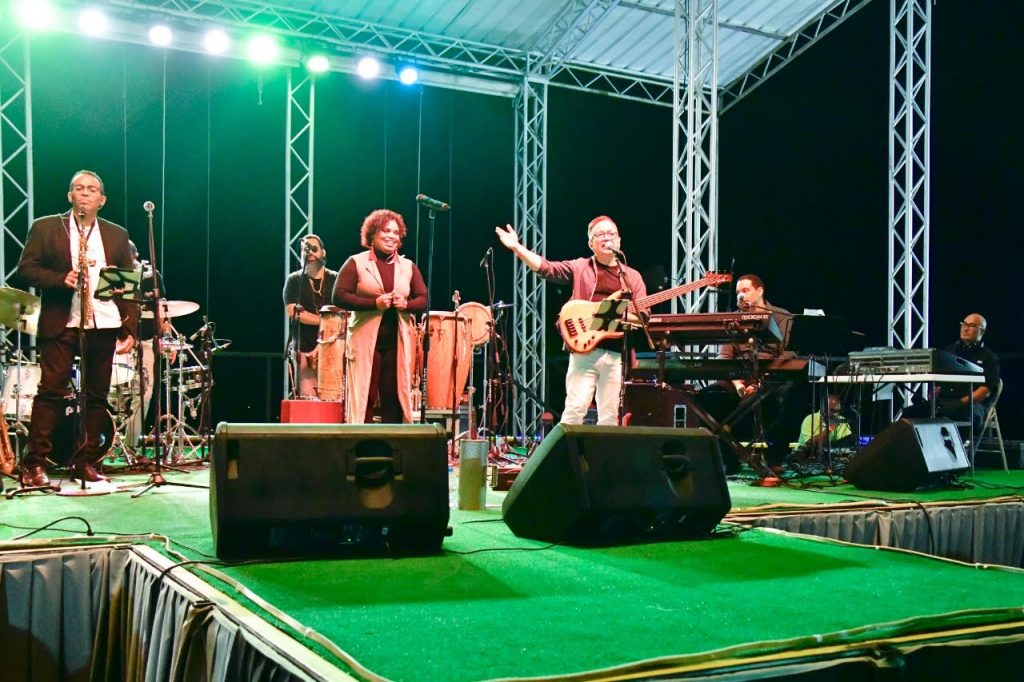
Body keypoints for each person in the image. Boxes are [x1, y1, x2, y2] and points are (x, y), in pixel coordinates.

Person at [15, 170, 137, 486]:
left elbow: (129, 285)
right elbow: (25, 269)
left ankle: (86, 462)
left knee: (97, 396)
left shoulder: (117, 234)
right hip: (63, 321)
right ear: (70, 195)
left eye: (92, 189)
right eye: (78, 188)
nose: (85, 192)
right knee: (51, 391)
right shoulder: (46, 226)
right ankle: (34, 464)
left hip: (104, 320)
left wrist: (130, 329)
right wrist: (60, 279)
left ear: (102, 200)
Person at [495, 215, 647, 426]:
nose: (607, 238)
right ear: (591, 243)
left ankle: (602, 450)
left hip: (615, 354)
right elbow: (547, 268)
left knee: (610, 417)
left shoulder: (632, 277)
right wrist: (517, 248)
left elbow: (643, 316)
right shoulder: (580, 267)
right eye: (600, 234)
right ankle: (566, 449)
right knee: (575, 410)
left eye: (611, 233)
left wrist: (612, 314)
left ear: (619, 241)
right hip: (584, 350)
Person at [332, 210, 427, 423]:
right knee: (364, 394)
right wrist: (374, 304)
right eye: (386, 231)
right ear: (373, 235)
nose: (392, 236)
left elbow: (424, 299)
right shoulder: (356, 262)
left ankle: (392, 440)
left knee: (393, 396)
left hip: (397, 343)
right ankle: (361, 439)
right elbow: (338, 296)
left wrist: (406, 304)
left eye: (396, 232)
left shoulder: (408, 267)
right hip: (365, 341)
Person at [906, 313, 1000, 431]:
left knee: (964, 416)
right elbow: (938, 378)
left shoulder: (989, 357)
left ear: (982, 331)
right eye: (964, 324)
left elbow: (985, 391)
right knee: (911, 412)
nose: (965, 328)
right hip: (945, 401)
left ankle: (959, 442)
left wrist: (960, 403)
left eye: (971, 325)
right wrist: (933, 391)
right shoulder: (950, 350)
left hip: (971, 404)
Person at [283, 234, 338, 398]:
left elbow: (344, 312)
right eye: (305, 249)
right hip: (304, 349)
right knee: (309, 399)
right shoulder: (294, 280)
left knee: (332, 399)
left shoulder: (335, 279)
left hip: (332, 349)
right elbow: (292, 311)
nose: (310, 252)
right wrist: (325, 321)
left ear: (323, 253)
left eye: (314, 248)